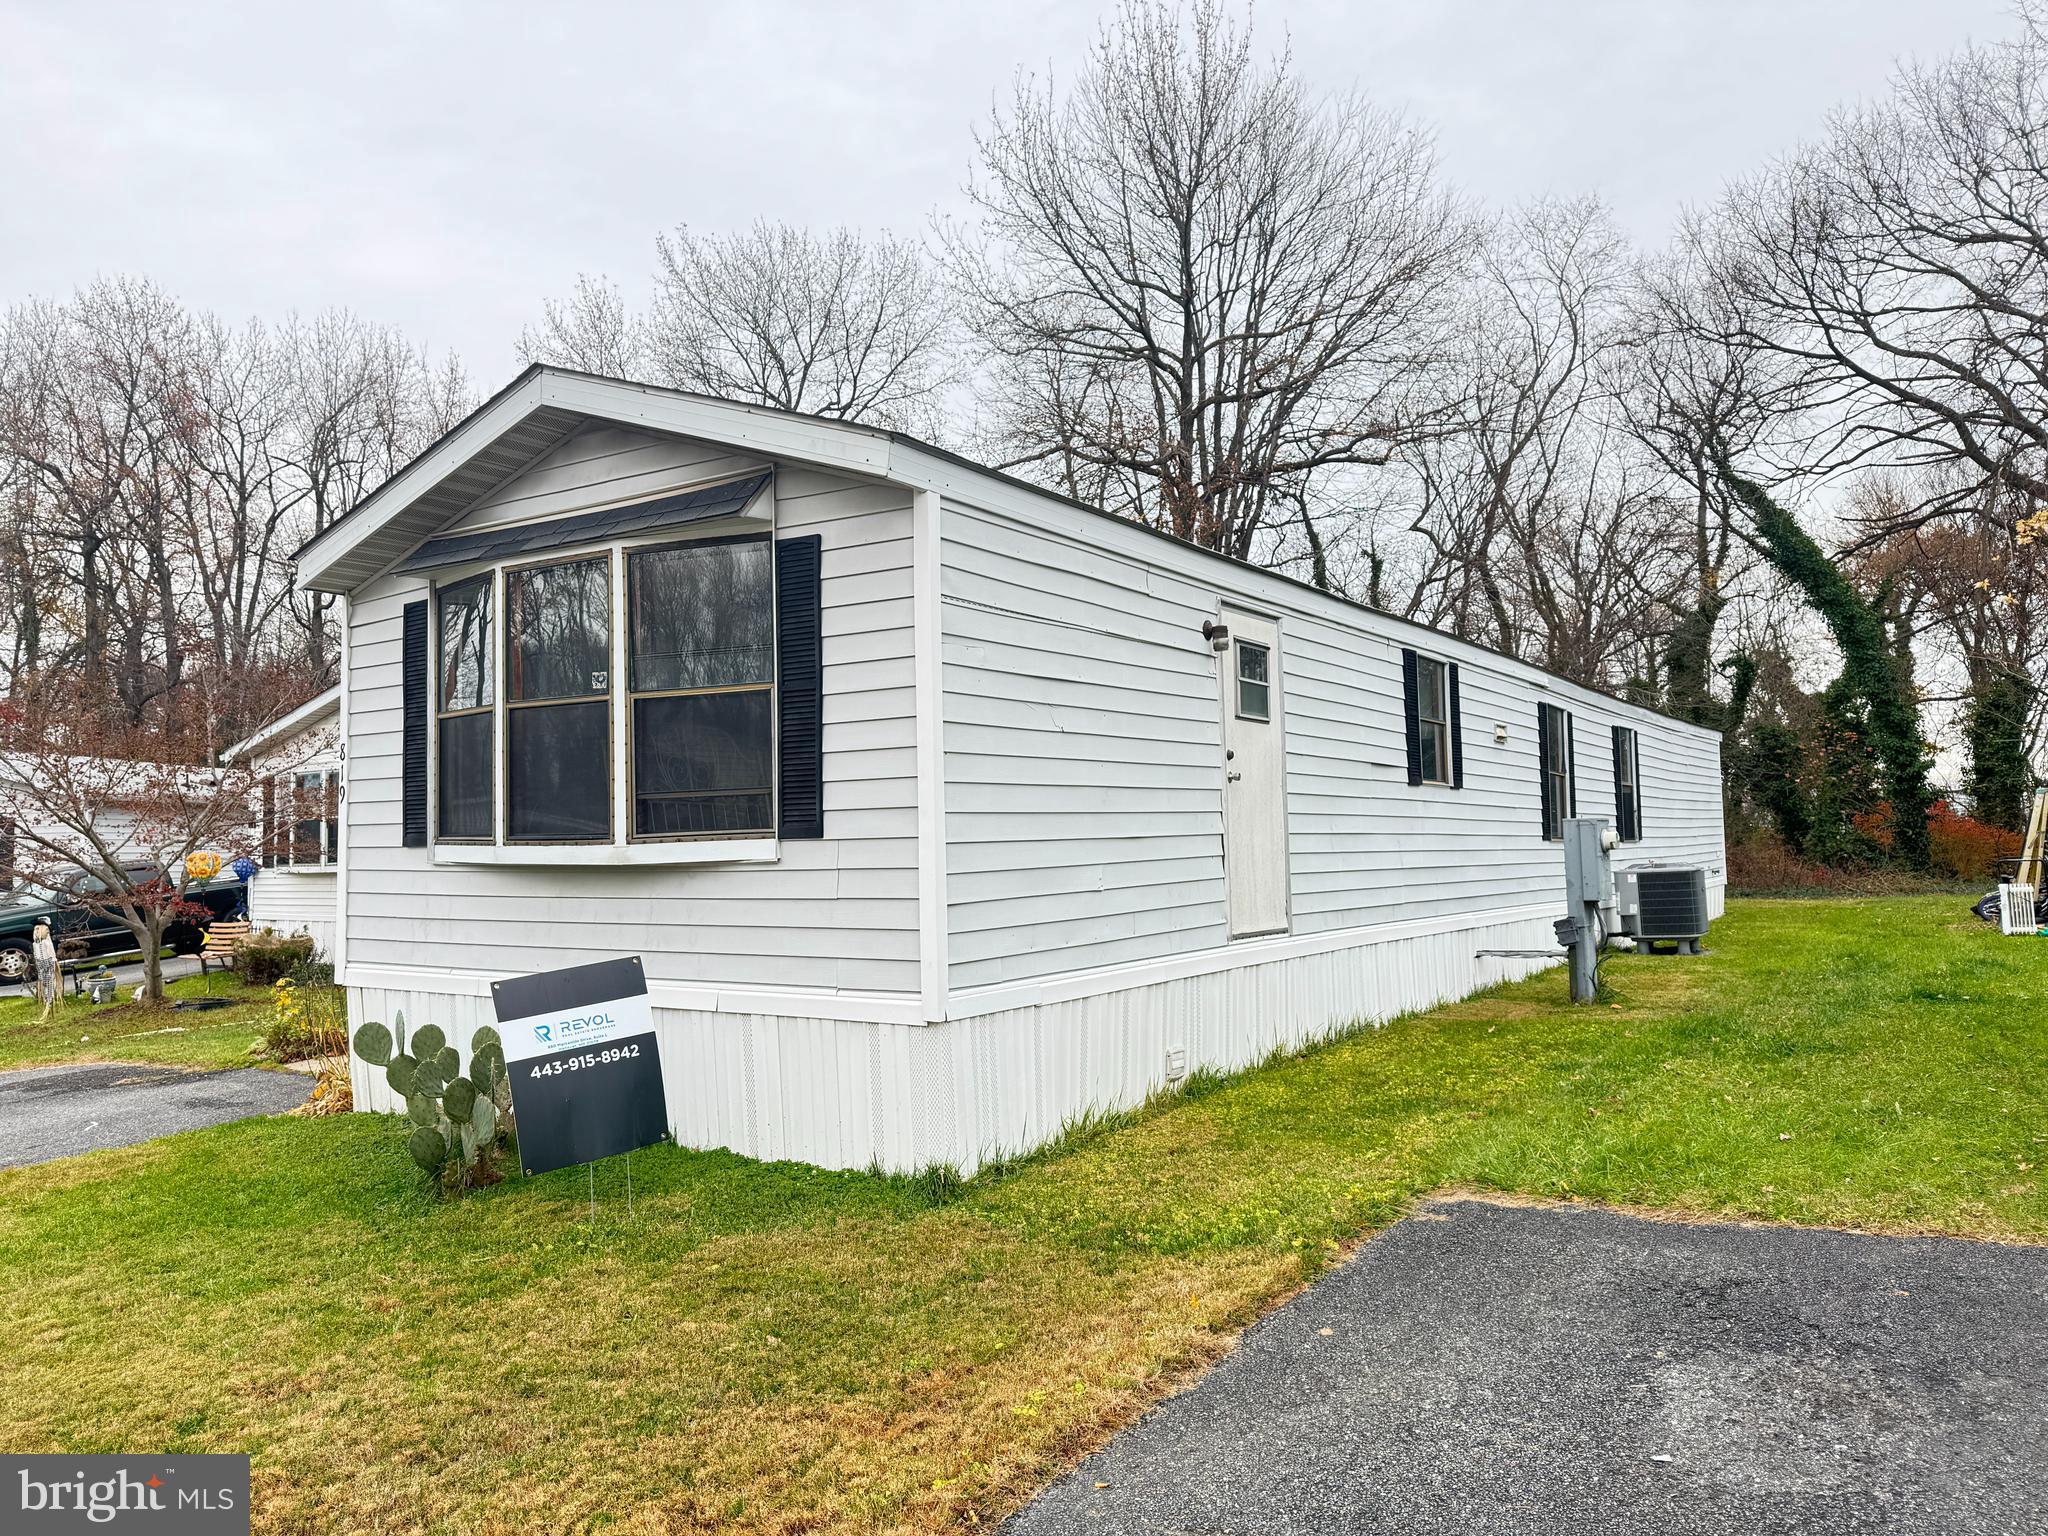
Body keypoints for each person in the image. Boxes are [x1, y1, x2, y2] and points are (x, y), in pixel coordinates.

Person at [31, 920, 58, 1019]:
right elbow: (36, 955)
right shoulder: (35, 944)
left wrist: (53, 962)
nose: (47, 932)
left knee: (50, 982)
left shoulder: (47, 943)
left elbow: (52, 955)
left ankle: (50, 1001)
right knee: (44, 983)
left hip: (48, 964)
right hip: (40, 965)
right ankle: (47, 1000)